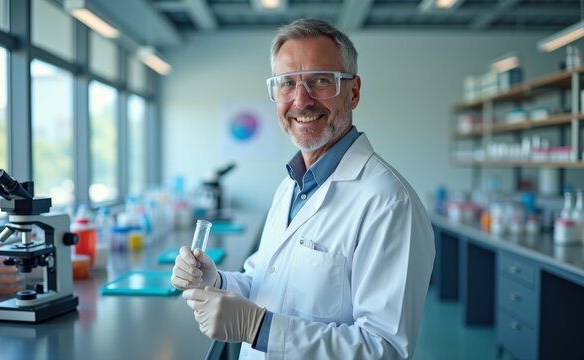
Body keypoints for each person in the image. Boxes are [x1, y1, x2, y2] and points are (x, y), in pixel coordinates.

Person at [172, 18, 435, 359]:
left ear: (353, 91)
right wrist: (218, 280)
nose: (301, 100)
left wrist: (258, 328)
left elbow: (384, 349)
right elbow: (266, 281)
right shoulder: (291, 185)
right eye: (286, 84)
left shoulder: (387, 202)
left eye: (321, 81)